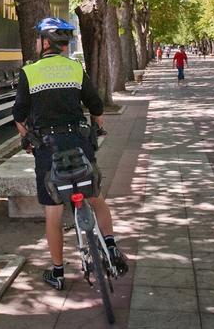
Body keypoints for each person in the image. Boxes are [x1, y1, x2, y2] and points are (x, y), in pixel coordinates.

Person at [12, 17, 128, 291]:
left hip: (48, 149)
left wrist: (26, 137)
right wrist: (98, 124)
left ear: (45, 42)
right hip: (78, 143)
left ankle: (58, 272)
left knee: (53, 211)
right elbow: (95, 106)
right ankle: (110, 245)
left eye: (39, 38)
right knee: (96, 198)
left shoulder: (29, 72)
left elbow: (19, 114)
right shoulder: (76, 69)